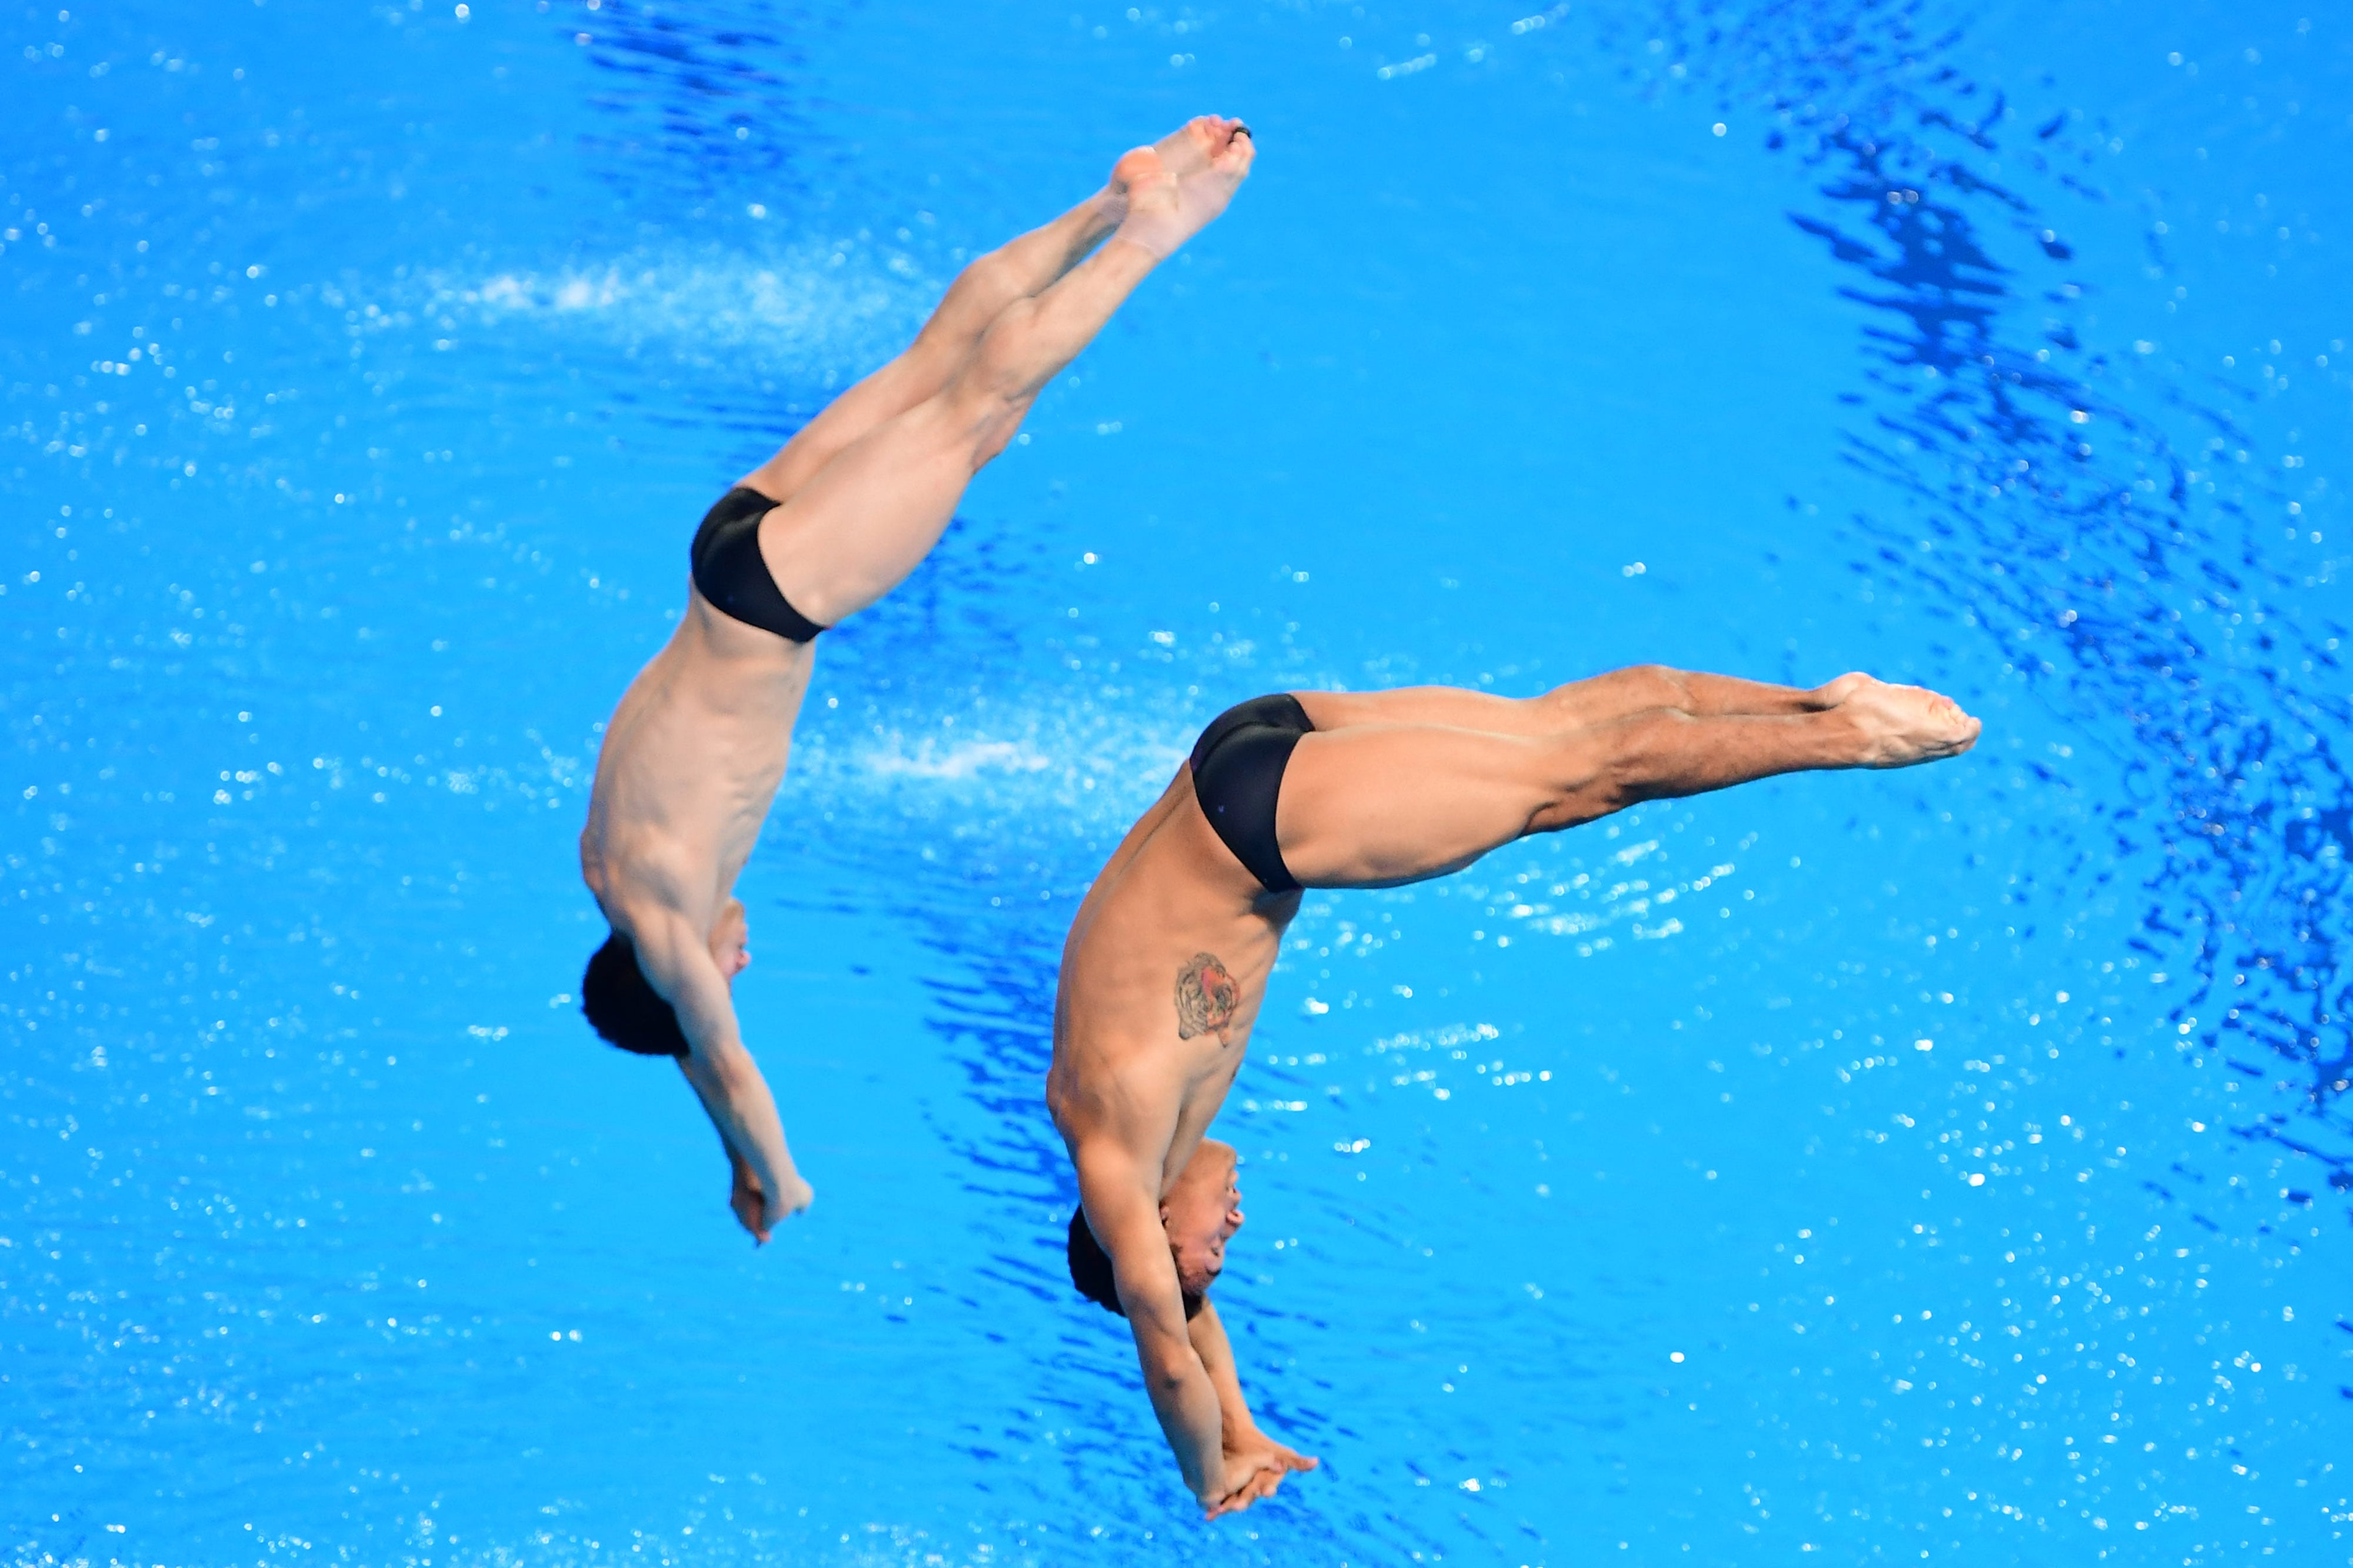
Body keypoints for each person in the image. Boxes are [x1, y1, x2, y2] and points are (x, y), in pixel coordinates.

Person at [1046, 669, 1981, 1515]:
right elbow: (1190, 1323)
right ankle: (1817, 701)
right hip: (1242, 749)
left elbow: (1170, 1354)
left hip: (1258, 824)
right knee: (1559, 729)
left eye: (1212, 1254)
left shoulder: (1119, 1162)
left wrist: (1210, 1475)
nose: (1235, 1230)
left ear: (1156, 1238)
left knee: (1578, 779)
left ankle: (1853, 736)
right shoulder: (1105, 1121)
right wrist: (1244, 1428)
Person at [578, 117, 1257, 1242]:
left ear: (676, 974)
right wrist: (725, 1150)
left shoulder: (667, 924)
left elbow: (727, 1060)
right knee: (938, 370)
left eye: (723, 976)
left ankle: (1152, 229)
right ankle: (1114, 195)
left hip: (781, 602)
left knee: (975, 400)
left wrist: (775, 1177)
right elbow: (697, 1050)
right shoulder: (610, 879)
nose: (738, 963)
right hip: (729, 555)